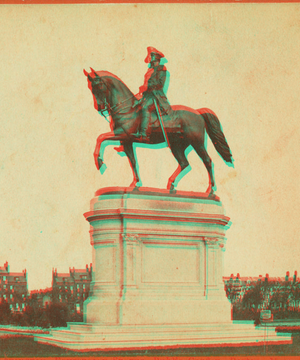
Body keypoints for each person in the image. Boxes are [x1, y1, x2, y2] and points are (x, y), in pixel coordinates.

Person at [132, 47, 171, 141]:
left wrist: (146, 87)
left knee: (145, 107)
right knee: (133, 104)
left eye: (151, 56)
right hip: (147, 95)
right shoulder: (149, 70)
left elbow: (159, 84)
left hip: (156, 96)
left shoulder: (162, 69)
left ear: (156, 57)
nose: (150, 59)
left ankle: (144, 134)